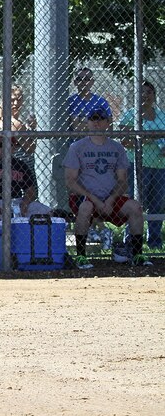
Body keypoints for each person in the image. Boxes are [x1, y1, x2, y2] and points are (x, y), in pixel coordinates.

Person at [65, 109, 152, 269]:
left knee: (135, 207)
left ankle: (138, 254)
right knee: (85, 207)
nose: (96, 122)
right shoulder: (77, 147)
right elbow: (70, 181)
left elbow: (122, 181)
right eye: (92, 118)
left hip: (110, 197)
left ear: (108, 122)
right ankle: (81, 256)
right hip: (87, 197)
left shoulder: (117, 148)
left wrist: (110, 199)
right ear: (87, 122)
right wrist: (96, 199)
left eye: (101, 119)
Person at [0, 137, 51, 260]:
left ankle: (39, 254)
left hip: (17, 201)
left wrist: (25, 203)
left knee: (46, 212)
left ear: (14, 148)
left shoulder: (21, 165)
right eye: (0, 145)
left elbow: (30, 190)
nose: (3, 149)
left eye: (7, 146)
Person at [118, 81, 165, 249]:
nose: (146, 95)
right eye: (142, 92)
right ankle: (130, 241)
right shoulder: (131, 115)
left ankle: (154, 243)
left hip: (160, 166)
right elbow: (125, 140)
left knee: (157, 204)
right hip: (138, 166)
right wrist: (149, 138)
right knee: (135, 203)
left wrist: (144, 138)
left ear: (154, 95)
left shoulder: (161, 115)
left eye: (149, 92)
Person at [0, 85, 37, 165]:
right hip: (19, 169)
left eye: (19, 99)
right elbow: (30, 148)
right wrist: (32, 130)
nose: (16, 103)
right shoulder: (13, 123)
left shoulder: (10, 120)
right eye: (12, 100)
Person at [68, 68, 112, 132]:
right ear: (75, 82)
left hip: (98, 141)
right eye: (79, 79)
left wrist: (85, 123)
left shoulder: (102, 102)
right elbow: (76, 127)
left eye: (86, 79)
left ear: (92, 82)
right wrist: (98, 124)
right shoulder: (71, 102)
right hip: (77, 141)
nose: (83, 82)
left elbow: (109, 127)